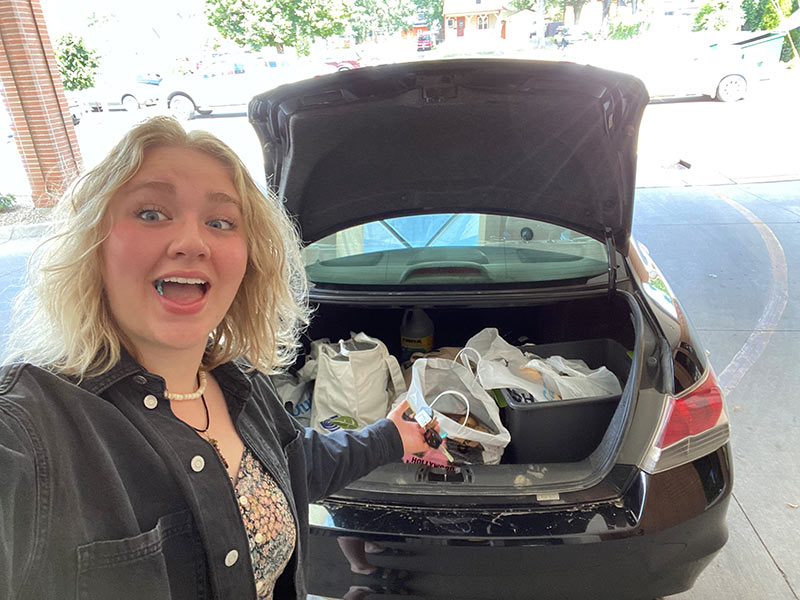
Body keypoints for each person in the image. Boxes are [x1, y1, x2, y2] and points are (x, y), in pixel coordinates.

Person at [0, 116, 431, 599]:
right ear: (93, 243)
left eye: (221, 222)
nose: (191, 242)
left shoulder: (240, 386)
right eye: (150, 213)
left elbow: (289, 464)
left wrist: (395, 435)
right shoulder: (27, 426)